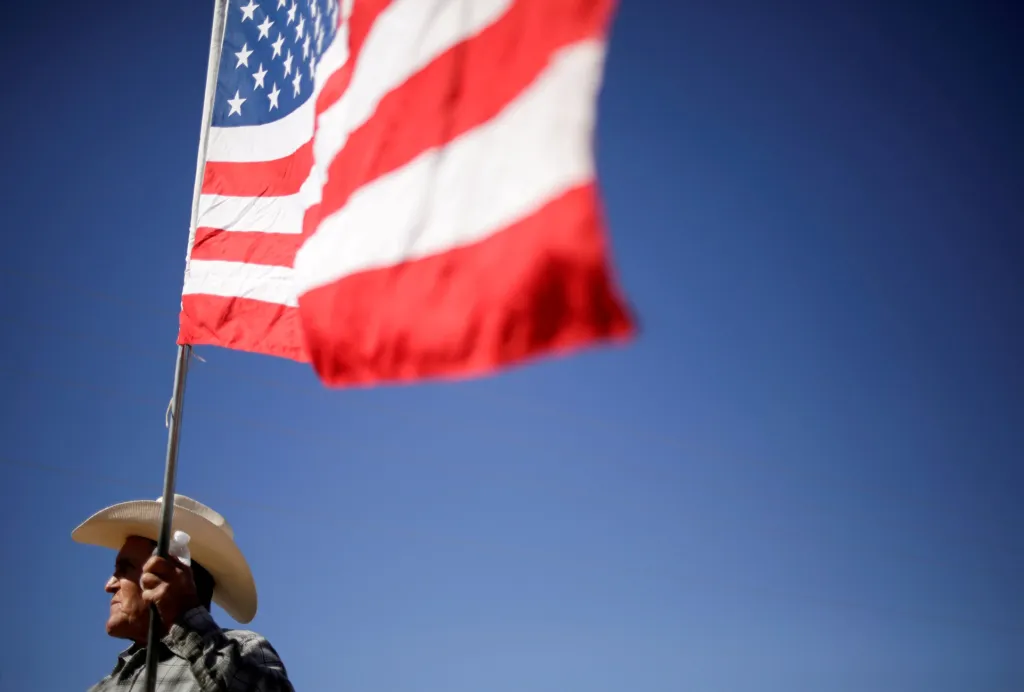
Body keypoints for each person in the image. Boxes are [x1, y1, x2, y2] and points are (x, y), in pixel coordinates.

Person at [73, 494, 294, 691]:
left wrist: (186, 616)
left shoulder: (243, 650)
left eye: (124, 568)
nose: (109, 584)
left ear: (169, 575)